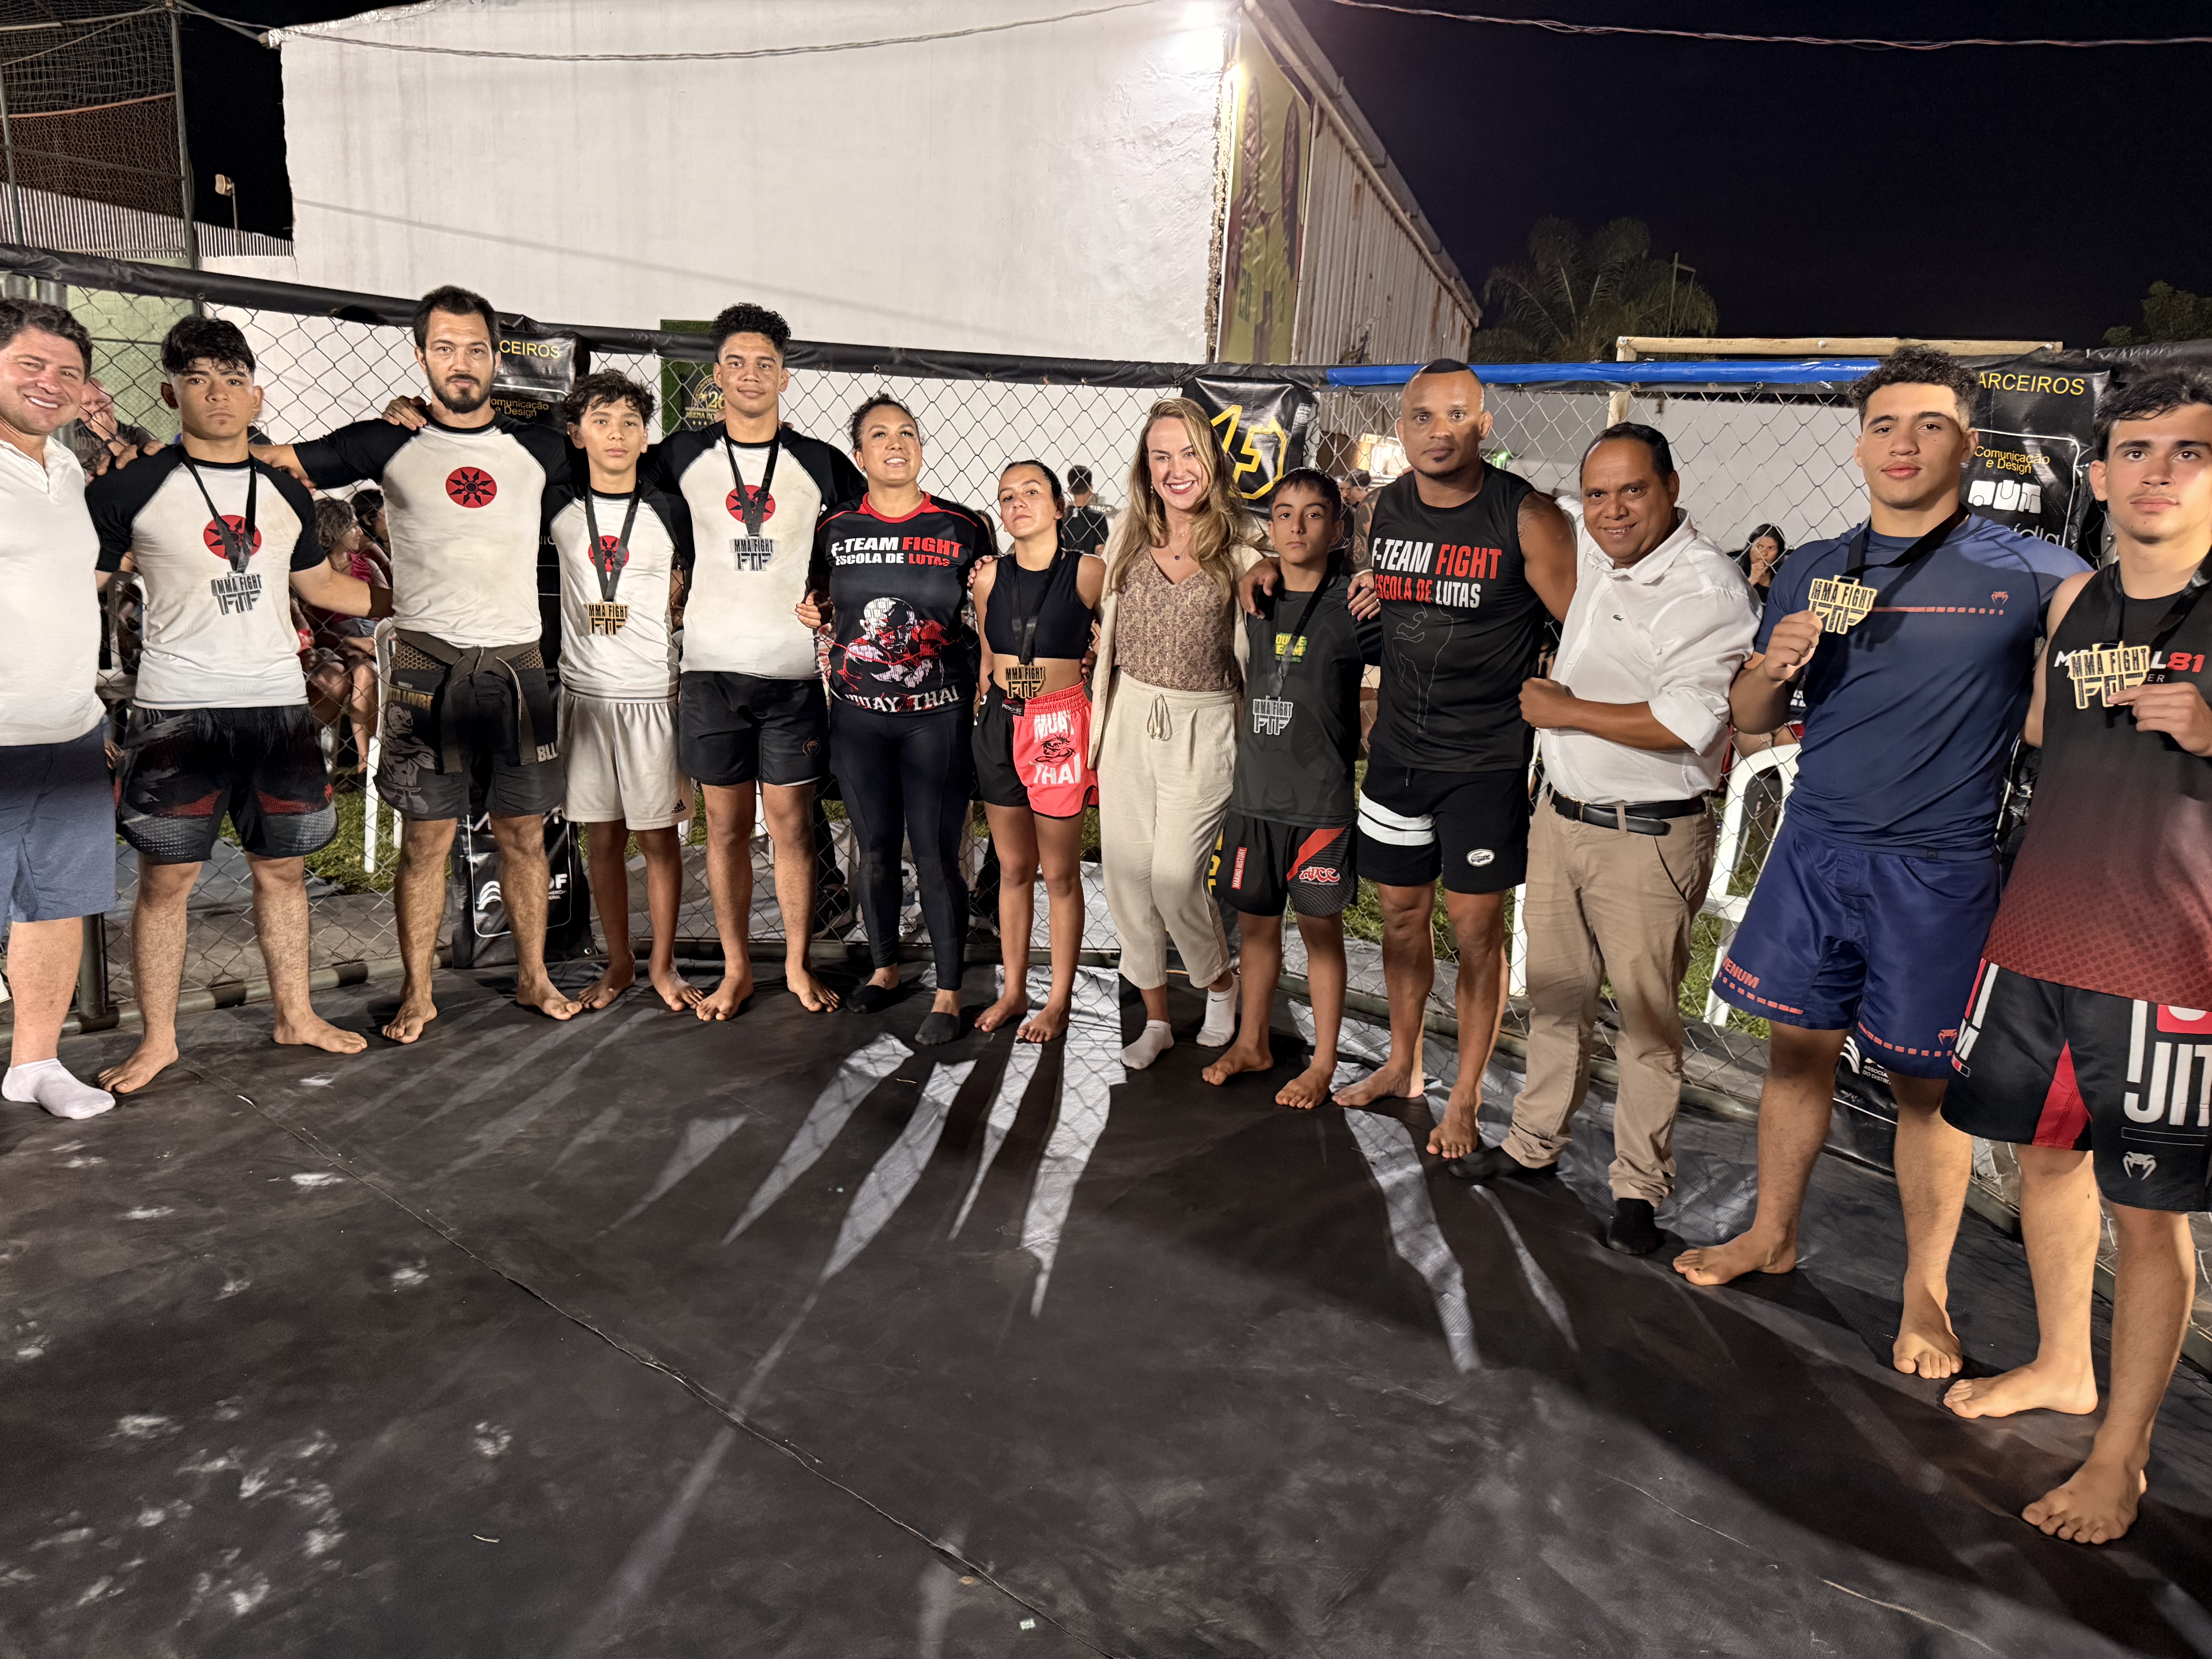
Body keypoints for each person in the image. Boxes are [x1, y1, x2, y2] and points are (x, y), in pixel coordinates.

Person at [1674, 347, 2088, 1382]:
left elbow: (2077, 712)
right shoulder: (1815, 565)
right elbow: (1752, 715)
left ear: (1969, 443)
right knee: (1795, 1053)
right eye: (1884, 426)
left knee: (1924, 1091)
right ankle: (1772, 1233)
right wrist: (1775, 665)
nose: (1904, 445)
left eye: (1930, 425)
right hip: (1816, 848)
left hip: (1941, 869)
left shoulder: (2038, 573)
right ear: (1859, 446)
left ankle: (1925, 1294)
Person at [1939, 372, 2212, 1544]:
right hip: (2042, 927)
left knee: (2148, 1212)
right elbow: (2051, 741)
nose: (2157, 472)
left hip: (2168, 953)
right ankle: (2064, 1364)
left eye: (2189, 452)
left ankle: (2121, 1458)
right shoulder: (2079, 604)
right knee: (2042, 1159)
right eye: (2135, 450)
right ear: (2096, 476)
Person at [1250, 361, 1576, 1159]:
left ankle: (1465, 1096)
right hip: (1397, 753)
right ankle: (1404, 1064)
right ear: (1401, 428)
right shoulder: (1389, 506)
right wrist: (1269, 564)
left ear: (1484, 426)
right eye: (1422, 417)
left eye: (1456, 415)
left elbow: (1587, 628)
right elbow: (1345, 574)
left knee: (1475, 930)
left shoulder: (1526, 515)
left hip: (1483, 761)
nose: (1438, 431)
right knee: (1399, 916)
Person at [1448, 424, 1757, 1255]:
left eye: (1632, 491)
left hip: (1646, 836)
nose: (1611, 510)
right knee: (1556, 997)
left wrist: (1567, 711)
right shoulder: (1597, 551)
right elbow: (1524, 515)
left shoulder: (1705, 588)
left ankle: (1637, 1190)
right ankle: (1533, 1143)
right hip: (1563, 817)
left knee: (1646, 1024)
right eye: (1597, 493)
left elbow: (1689, 724)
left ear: (1671, 487)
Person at [255, 284, 581, 1043]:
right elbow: (270, 464)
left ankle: (534, 975)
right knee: (427, 839)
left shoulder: (543, 447)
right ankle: (419, 991)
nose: (461, 363)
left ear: (496, 359)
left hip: (517, 664)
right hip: (426, 669)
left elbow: (630, 458)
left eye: (475, 349)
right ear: (421, 355)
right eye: (445, 348)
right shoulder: (386, 440)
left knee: (525, 832)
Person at [86, 316, 383, 1094]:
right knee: (166, 881)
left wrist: (422, 602)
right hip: (177, 710)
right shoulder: (131, 486)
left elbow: (321, 586)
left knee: (283, 870)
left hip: (277, 709)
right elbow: (77, 587)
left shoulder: (286, 488)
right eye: (198, 380)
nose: (217, 394)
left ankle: (297, 1014)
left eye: (232, 379)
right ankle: (159, 1040)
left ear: (256, 395)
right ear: (170, 393)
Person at [651, 304, 860, 1020]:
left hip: (791, 673)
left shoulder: (820, 462)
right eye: (737, 363)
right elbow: (599, 464)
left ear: (784, 376)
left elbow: (863, 538)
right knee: (726, 828)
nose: (750, 375)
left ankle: (797, 963)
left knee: (793, 827)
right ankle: (738, 968)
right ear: (717, 374)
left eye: (765, 364)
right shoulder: (679, 455)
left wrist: (829, 595)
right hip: (711, 669)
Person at [798, 396, 994, 1045]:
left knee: (936, 855)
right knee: (875, 849)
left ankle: (948, 990)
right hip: (859, 719)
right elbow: (819, 596)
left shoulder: (962, 526)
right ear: (859, 455)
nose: (895, 443)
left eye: (907, 433)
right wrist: (817, 609)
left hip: (934, 717)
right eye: (879, 434)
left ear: (920, 448)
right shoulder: (835, 527)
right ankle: (884, 967)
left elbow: (993, 604)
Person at [1091, 397, 1259, 1070]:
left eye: (1189, 452)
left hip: (1206, 720)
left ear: (1212, 460)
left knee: (1175, 878)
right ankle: (1156, 1017)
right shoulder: (1125, 535)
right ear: (1145, 466)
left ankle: (1219, 982)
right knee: (1128, 877)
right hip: (1130, 714)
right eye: (1161, 455)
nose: (1176, 468)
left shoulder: (1243, 547)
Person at [1203, 469, 1379, 1106]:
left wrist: (1380, 582)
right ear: (1270, 526)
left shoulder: (1355, 605)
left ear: (1338, 527)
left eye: (1313, 514)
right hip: (1254, 797)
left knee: (1319, 933)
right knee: (1254, 930)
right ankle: (1252, 1040)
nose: (1297, 526)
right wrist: (1262, 566)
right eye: (1283, 513)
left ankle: (1323, 1062)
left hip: (1319, 804)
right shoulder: (1256, 592)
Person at [544, 370, 699, 1014]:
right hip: (584, 696)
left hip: (652, 694)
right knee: (602, 839)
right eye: (602, 421)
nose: (616, 433)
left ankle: (663, 964)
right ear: (577, 434)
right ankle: (618, 961)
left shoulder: (670, 509)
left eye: (630, 422)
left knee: (658, 840)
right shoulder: (555, 503)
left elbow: (698, 582)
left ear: (645, 438)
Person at [0, 299, 118, 1120]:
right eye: (30, 365)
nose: (51, 383)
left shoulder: (70, 469)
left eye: (69, 373)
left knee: (56, 903)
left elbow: (73, 578)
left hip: (71, 728)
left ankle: (35, 1063)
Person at [970, 459, 1104, 1041]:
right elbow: (987, 655)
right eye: (1007, 496)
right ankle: (1015, 991)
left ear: (1058, 506)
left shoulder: (1090, 572)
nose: (1018, 503)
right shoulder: (986, 579)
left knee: (1059, 873)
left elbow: (1117, 639)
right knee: (1014, 868)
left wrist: (1094, 661)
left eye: (1031, 491)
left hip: (1058, 724)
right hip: (1001, 721)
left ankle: (1058, 1000)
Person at [309, 496, 383, 771]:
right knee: (336, 677)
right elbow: (316, 628)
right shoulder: (314, 573)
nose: (360, 532)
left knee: (365, 672)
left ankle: (366, 761)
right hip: (335, 642)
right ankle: (298, 744)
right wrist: (355, 643)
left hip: (370, 639)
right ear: (335, 530)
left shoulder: (366, 565)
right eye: (353, 526)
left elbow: (388, 608)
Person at [69, 375, 157, 479]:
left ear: (111, 401)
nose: (96, 408)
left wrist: (108, 434)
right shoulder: (67, 433)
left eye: (101, 402)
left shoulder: (136, 434)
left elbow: (144, 473)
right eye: (87, 404)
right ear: (77, 409)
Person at [1062, 465, 1112, 558]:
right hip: (1088, 565)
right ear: (1091, 488)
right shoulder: (1099, 518)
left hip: (1063, 565)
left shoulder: (1061, 517)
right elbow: (1101, 551)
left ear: (1070, 490)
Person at [1741, 522, 1786, 611]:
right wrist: (1752, 580)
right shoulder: (1735, 572)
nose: (1764, 553)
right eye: (1759, 546)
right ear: (1750, 548)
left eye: (1772, 548)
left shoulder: (1784, 581)